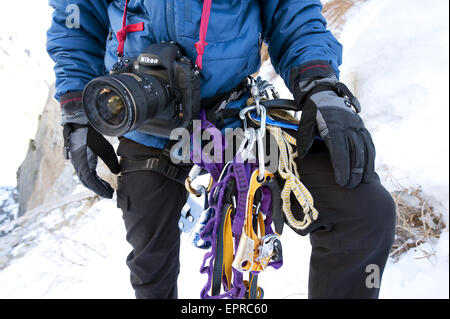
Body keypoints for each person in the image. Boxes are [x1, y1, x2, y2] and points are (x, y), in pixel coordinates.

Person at [47, 0, 396, 299]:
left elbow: (292, 14)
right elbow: (75, 23)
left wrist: (320, 86)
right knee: (150, 262)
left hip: (235, 116)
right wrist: (77, 110)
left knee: (364, 212)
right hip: (141, 118)